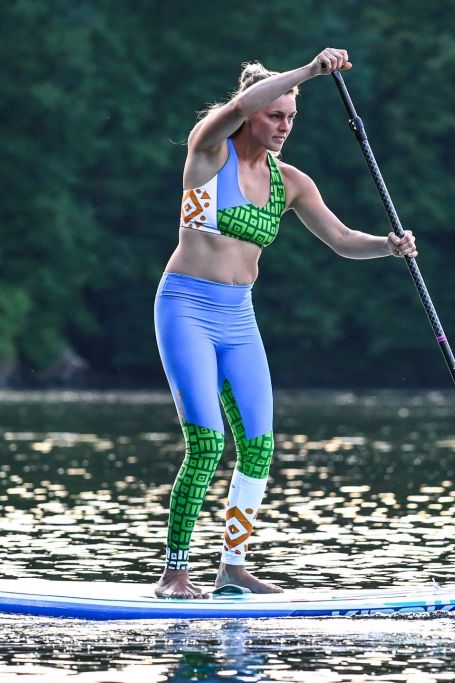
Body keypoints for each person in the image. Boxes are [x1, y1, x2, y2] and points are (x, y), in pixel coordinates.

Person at [154, 47, 417, 600]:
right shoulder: (208, 152)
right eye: (276, 115)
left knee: (259, 446)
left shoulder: (290, 182)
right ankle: (175, 574)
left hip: (238, 316)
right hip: (186, 308)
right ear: (249, 113)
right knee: (205, 444)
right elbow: (242, 102)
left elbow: (343, 241)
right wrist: (309, 72)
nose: (284, 126)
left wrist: (389, 247)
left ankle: (232, 564)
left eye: (292, 116)